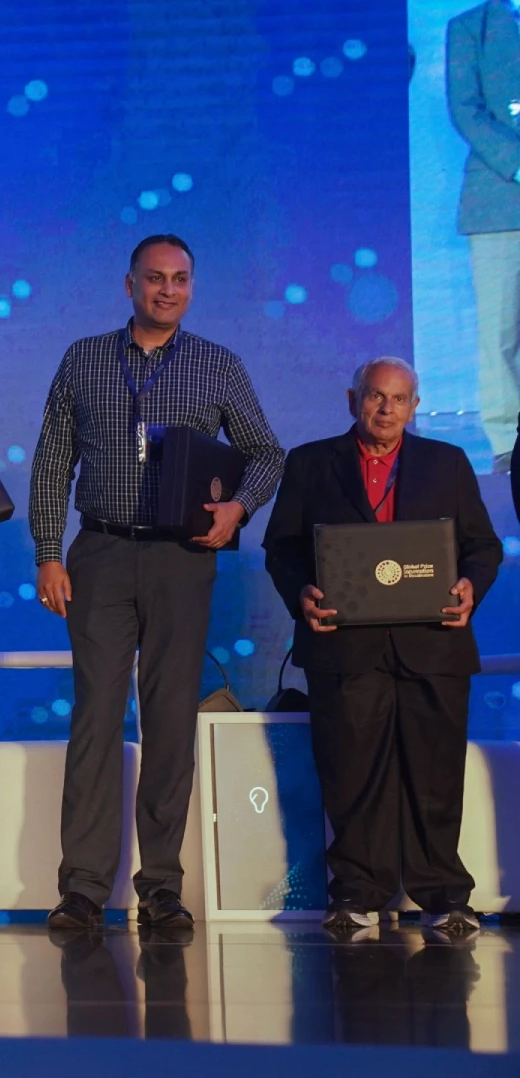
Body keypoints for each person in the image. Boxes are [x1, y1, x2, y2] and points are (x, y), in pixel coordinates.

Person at [30, 234, 284, 932]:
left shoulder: (217, 364)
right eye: (155, 278)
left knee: (171, 720)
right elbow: (51, 461)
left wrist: (238, 509)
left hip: (181, 558)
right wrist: (48, 552)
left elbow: (267, 454)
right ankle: (82, 887)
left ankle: (162, 886)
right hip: (101, 552)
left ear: (191, 287)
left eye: (180, 279)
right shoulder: (84, 358)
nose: (167, 290)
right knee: (95, 718)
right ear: (130, 284)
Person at [262, 358, 501, 939]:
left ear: (414, 407)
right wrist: (303, 595)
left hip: (434, 645)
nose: (386, 409)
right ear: (353, 400)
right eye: (375, 396)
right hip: (343, 647)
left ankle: (444, 896)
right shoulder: (310, 462)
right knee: (350, 776)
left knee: (436, 777)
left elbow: (483, 547)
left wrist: (470, 586)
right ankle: (356, 894)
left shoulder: (447, 462)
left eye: (398, 399)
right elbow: (281, 548)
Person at [447, 0, 520, 476]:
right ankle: (508, 442)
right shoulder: (469, 28)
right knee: (500, 330)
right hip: (499, 197)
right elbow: (466, 111)